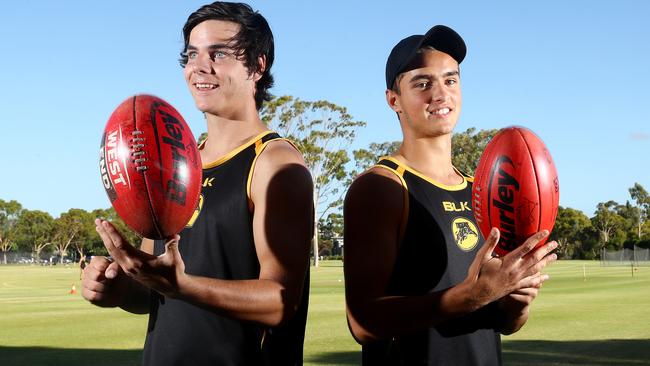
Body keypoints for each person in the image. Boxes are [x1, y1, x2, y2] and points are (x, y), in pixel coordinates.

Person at [81, 2, 313, 365]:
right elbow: (156, 291)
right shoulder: (175, 163)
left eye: (218, 53)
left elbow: (281, 301)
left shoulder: (274, 162)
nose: (199, 67)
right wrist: (119, 288)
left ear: (257, 65)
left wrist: (182, 285)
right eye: (192, 54)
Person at [343, 25, 558, 365]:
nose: (440, 93)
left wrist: (514, 297)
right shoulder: (381, 188)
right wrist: (471, 295)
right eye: (423, 83)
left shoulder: (482, 194)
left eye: (450, 80)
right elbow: (363, 323)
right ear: (393, 100)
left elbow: (503, 324)